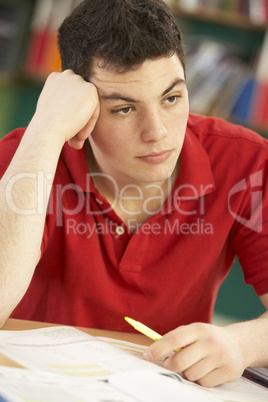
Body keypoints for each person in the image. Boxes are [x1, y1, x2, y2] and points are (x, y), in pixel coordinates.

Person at [0, 0, 267, 388]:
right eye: (124, 109)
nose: (157, 131)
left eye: (171, 98)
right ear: (81, 105)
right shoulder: (26, 158)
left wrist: (242, 343)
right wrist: (45, 130)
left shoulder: (245, 160)